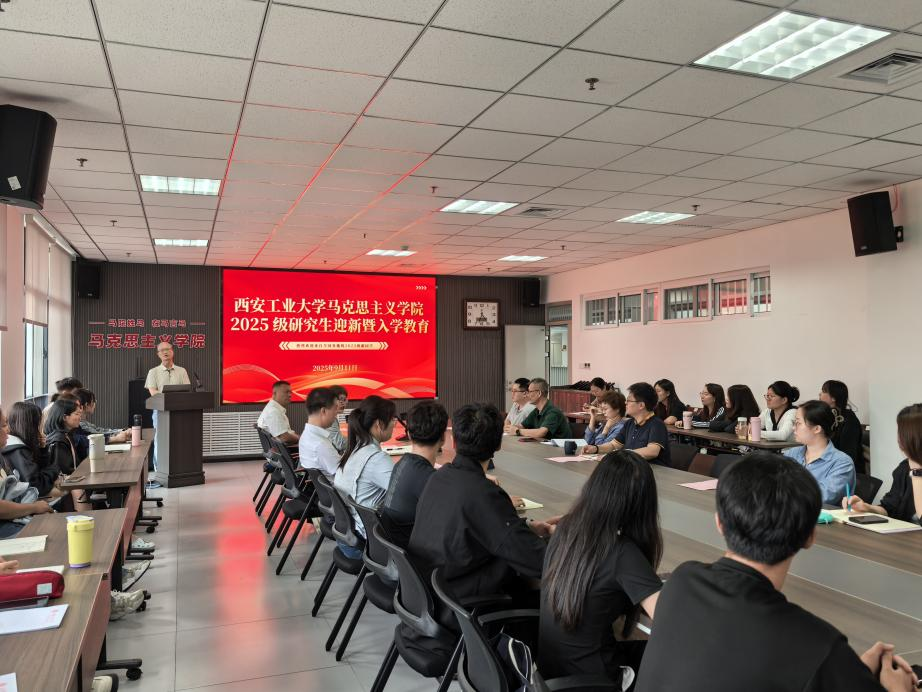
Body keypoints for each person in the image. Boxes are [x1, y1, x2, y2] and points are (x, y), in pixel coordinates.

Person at [635, 452, 918, 692]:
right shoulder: (817, 645)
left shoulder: (683, 581)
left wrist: (846, 671)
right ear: (810, 536)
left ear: (719, 522)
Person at [540, 450, 662, 687]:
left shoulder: (565, 529)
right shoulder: (623, 553)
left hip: (552, 677)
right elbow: (669, 620)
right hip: (596, 682)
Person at [409, 403, 554, 602]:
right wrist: (566, 539)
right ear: (498, 444)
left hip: (428, 592)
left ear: (453, 442)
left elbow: (484, 527)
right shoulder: (485, 495)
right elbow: (539, 561)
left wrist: (527, 527)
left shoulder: (439, 477)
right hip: (462, 603)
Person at [380, 401, 448, 547]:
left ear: (409, 435)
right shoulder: (430, 480)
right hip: (413, 554)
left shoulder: (402, 463)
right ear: (443, 438)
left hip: (393, 551)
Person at [334, 395, 396, 557]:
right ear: (379, 424)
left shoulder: (355, 449)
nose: (395, 423)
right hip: (365, 545)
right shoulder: (376, 459)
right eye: (392, 419)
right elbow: (404, 494)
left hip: (347, 536)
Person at [842, 403, 922, 526]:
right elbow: (889, 508)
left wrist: (917, 471)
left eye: (900, 432)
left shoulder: (913, 468)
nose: (898, 438)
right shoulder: (904, 468)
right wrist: (867, 507)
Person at [782, 401, 855, 505]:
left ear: (817, 429)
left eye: (798, 423)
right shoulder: (791, 454)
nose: (793, 428)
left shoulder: (842, 462)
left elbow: (822, 497)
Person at [583, 383, 671, 466]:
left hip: (655, 471)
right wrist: (596, 448)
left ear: (641, 405)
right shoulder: (630, 423)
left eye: (629, 401)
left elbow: (652, 451)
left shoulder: (657, 424)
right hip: (633, 468)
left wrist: (621, 455)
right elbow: (613, 445)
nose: (625, 403)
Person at [0, 407, 53, 537]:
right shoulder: (18, 450)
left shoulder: (2, 455)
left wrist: (43, 449)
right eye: (4, 425)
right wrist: (34, 507)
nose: (8, 430)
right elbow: (37, 483)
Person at [2, 401, 59, 497]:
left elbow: (39, 471)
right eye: (38, 423)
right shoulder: (18, 450)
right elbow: (37, 486)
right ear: (30, 425)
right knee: (67, 491)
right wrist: (54, 470)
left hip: (26, 496)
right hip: (28, 498)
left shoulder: (16, 445)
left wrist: (42, 448)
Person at [820, 380, 865, 473]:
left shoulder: (849, 420)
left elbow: (848, 454)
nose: (820, 394)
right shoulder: (827, 417)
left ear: (833, 398)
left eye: (823, 391)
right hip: (828, 467)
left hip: (845, 471)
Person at [505, 378, 572, 439]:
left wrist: (517, 431)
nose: (527, 395)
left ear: (539, 393)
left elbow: (541, 432)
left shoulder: (553, 411)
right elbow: (522, 426)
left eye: (530, 392)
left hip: (559, 448)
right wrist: (510, 428)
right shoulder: (537, 411)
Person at [298, 387, 341, 480]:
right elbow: (344, 475)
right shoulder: (321, 445)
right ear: (323, 411)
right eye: (335, 409)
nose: (337, 413)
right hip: (337, 487)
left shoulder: (306, 435)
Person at [257, 380, 299, 445]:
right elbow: (285, 438)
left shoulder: (274, 409)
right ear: (274, 394)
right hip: (288, 448)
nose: (290, 395)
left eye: (290, 392)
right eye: (286, 392)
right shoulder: (273, 412)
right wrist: (301, 439)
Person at [327, 385, 348, 453]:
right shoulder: (329, 419)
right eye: (340, 399)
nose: (343, 403)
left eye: (344, 400)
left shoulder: (333, 418)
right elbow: (341, 444)